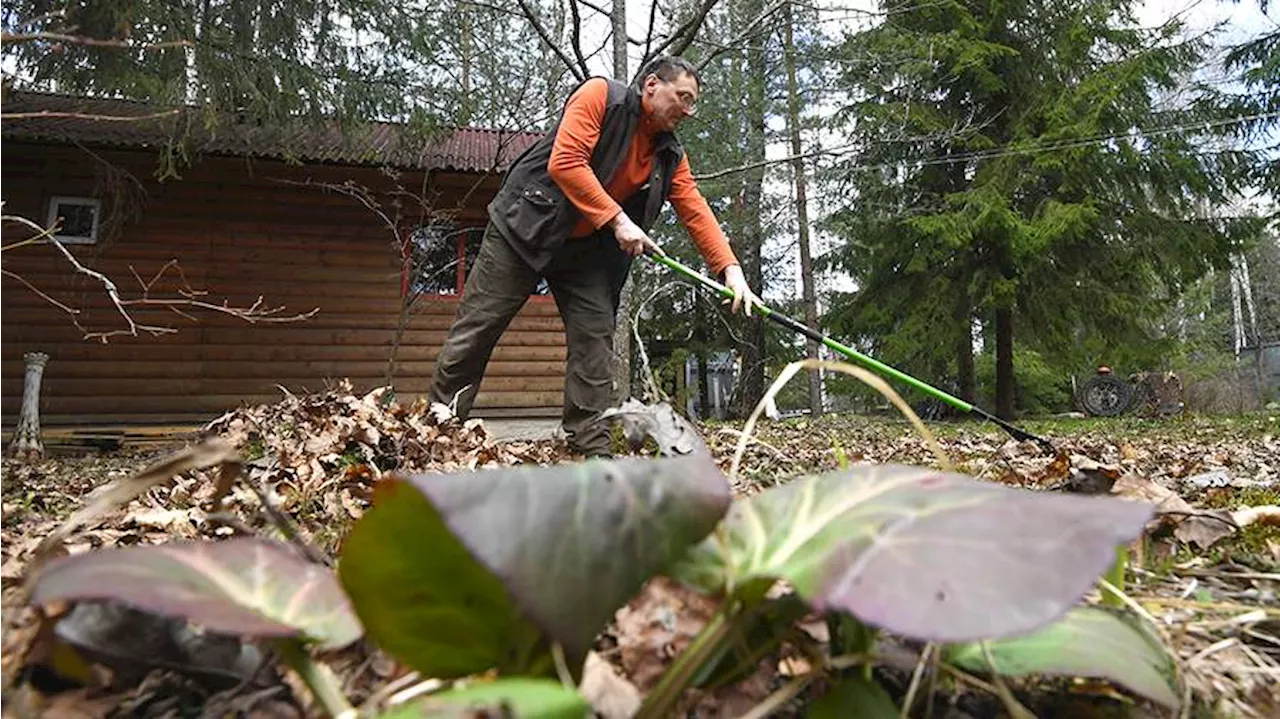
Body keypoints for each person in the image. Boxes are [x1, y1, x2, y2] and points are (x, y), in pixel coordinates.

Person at [427, 55, 760, 457]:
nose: (688, 111)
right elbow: (566, 163)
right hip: (526, 227)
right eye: (683, 97)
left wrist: (730, 269)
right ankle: (439, 425)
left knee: (594, 342)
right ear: (652, 84)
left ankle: (591, 447)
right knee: (480, 325)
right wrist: (618, 221)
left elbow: (694, 208)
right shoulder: (600, 96)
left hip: (587, 251)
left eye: (694, 104)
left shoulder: (669, 154)